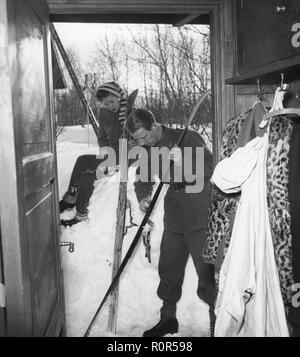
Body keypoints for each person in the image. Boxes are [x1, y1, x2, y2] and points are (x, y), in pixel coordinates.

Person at [125, 108, 216, 337]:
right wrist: (144, 198)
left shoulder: (186, 137)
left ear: (154, 125)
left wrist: (183, 159)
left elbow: (210, 168)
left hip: (198, 205)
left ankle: (218, 321)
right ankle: (168, 319)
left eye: (144, 136)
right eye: (138, 140)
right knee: (169, 266)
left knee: (206, 270)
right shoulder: (147, 150)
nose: (143, 142)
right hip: (174, 208)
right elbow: (142, 179)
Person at [60, 81, 127, 226]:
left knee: (83, 160)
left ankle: (70, 198)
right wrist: (104, 154)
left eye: (112, 101)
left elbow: (137, 138)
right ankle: (80, 214)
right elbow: (102, 137)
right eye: (106, 103)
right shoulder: (105, 114)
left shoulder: (128, 113)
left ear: (119, 96)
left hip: (124, 158)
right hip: (109, 156)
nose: (111, 106)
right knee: (86, 176)